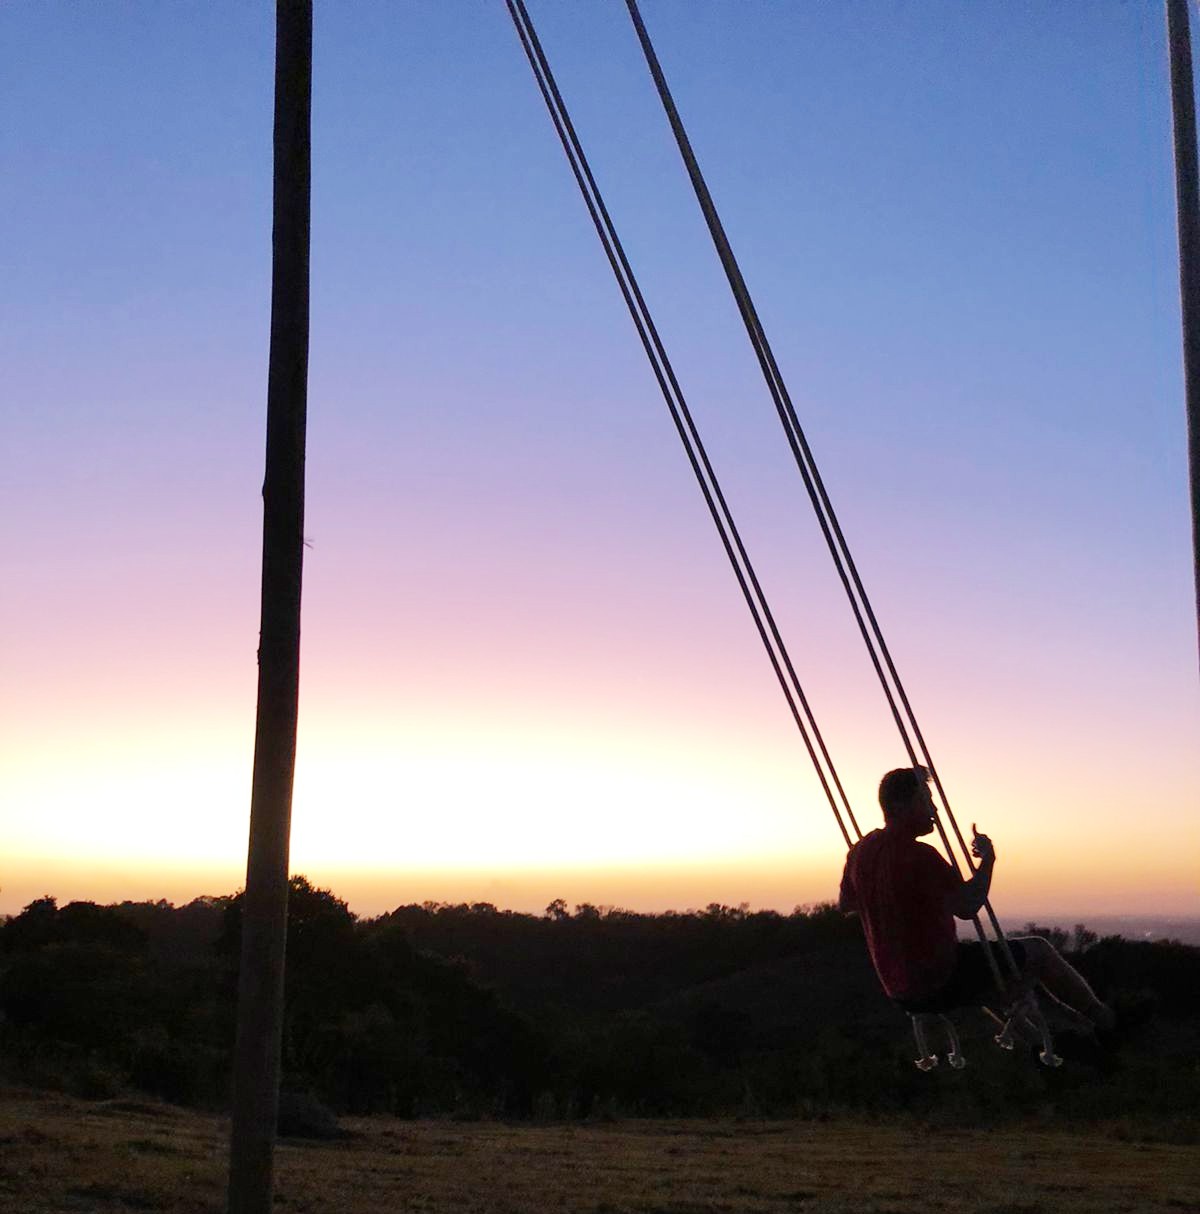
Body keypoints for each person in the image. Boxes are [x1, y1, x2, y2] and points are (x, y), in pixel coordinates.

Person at [839, 766, 1114, 1035]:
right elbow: (968, 906)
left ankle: (1069, 1036)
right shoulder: (919, 855)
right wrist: (988, 861)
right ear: (900, 806)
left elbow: (847, 905)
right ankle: (1105, 1020)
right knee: (1038, 952)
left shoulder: (860, 852)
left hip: (898, 986)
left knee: (1009, 975)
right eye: (925, 800)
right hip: (937, 977)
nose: (934, 810)